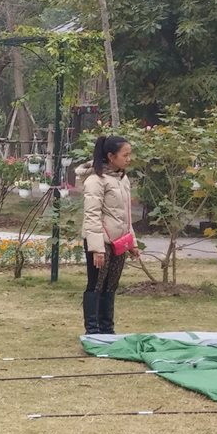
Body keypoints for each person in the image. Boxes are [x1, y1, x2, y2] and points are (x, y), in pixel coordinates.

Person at [79, 135, 139, 334]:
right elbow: (92, 215)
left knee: (111, 285)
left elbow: (125, 214)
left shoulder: (122, 179)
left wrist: (132, 243)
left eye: (129, 154)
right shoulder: (95, 180)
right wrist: (97, 249)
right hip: (100, 242)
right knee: (96, 285)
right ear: (111, 157)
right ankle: (92, 330)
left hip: (119, 241)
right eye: (125, 155)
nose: (129, 159)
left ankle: (107, 329)